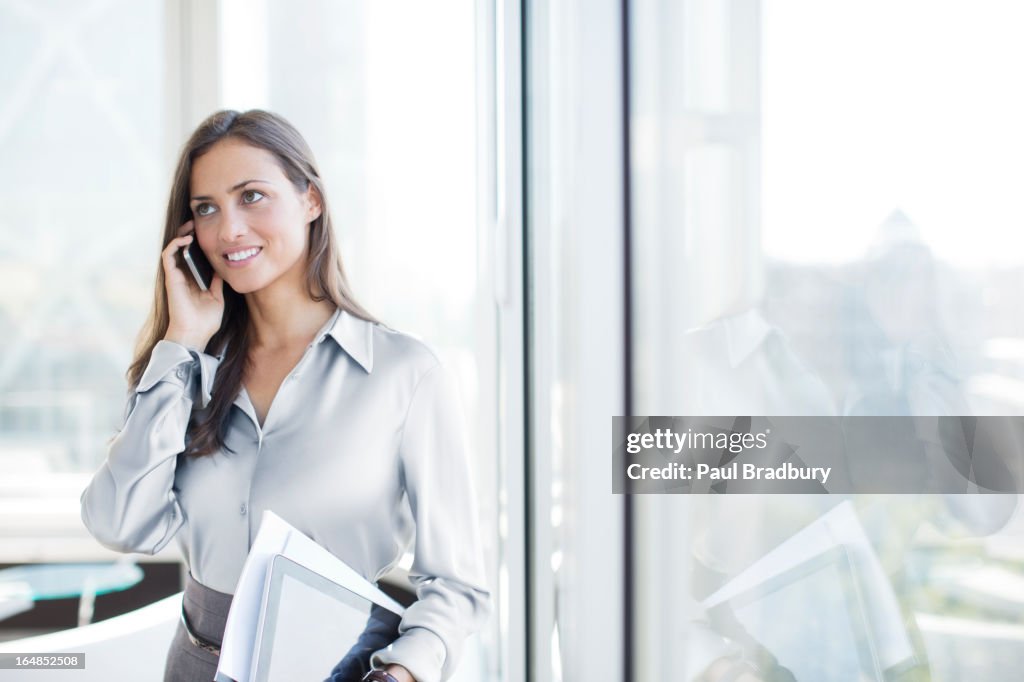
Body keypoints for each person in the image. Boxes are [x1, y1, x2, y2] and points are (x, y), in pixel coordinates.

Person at [80, 109, 490, 682]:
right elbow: (120, 524)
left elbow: (457, 582)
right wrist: (180, 343)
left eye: (252, 196)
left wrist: (404, 673)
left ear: (311, 201)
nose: (229, 231)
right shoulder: (185, 370)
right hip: (197, 664)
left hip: (342, 668)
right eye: (206, 209)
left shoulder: (405, 374)